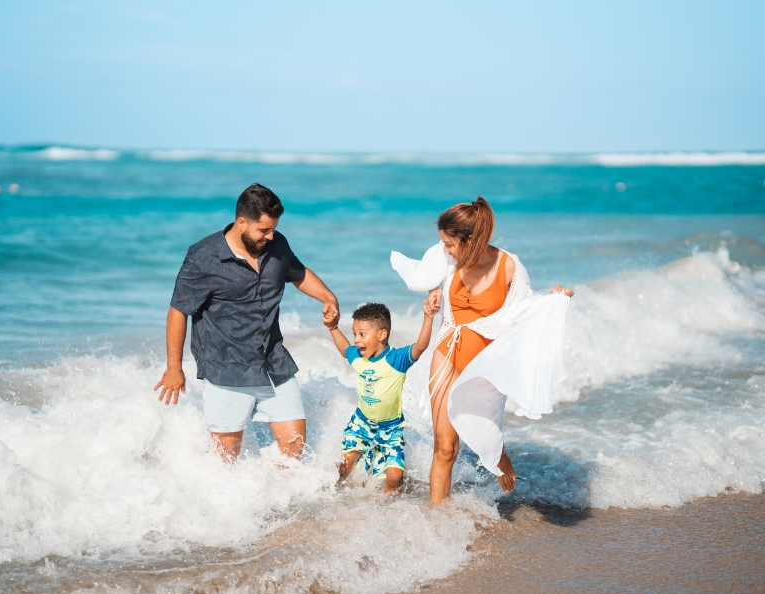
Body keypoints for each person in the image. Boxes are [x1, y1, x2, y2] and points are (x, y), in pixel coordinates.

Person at [391, 196, 574, 503]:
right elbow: (429, 278)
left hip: (486, 364)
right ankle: (439, 520)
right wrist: (434, 297)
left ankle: (499, 455)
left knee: (486, 432)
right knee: (445, 447)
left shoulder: (509, 266)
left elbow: (524, 310)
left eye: (450, 244)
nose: (445, 250)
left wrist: (555, 298)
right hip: (448, 354)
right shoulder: (446, 258)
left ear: (471, 240)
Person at [154, 183, 340, 461]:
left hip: (272, 362)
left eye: (274, 228)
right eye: (263, 230)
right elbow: (178, 311)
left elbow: (297, 272)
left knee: (294, 444)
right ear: (242, 223)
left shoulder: (277, 244)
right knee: (226, 457)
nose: (270, 235)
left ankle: (280, 503)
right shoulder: (203, 257)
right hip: (225, 367)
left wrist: (328, 297)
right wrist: (173, 367)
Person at [327, 302, 437, 494]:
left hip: (391, 429)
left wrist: (428, 317)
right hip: (361, 423)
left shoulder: (397, 359)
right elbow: (344, 349)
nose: (356, 340)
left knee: (395, 479)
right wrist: (332, 327)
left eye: (362, 334)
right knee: (345, 464)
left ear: (381, 335)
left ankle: (385, 510)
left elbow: (421, 346)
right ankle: (336, 494)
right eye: (355, 334)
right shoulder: (358, 357)